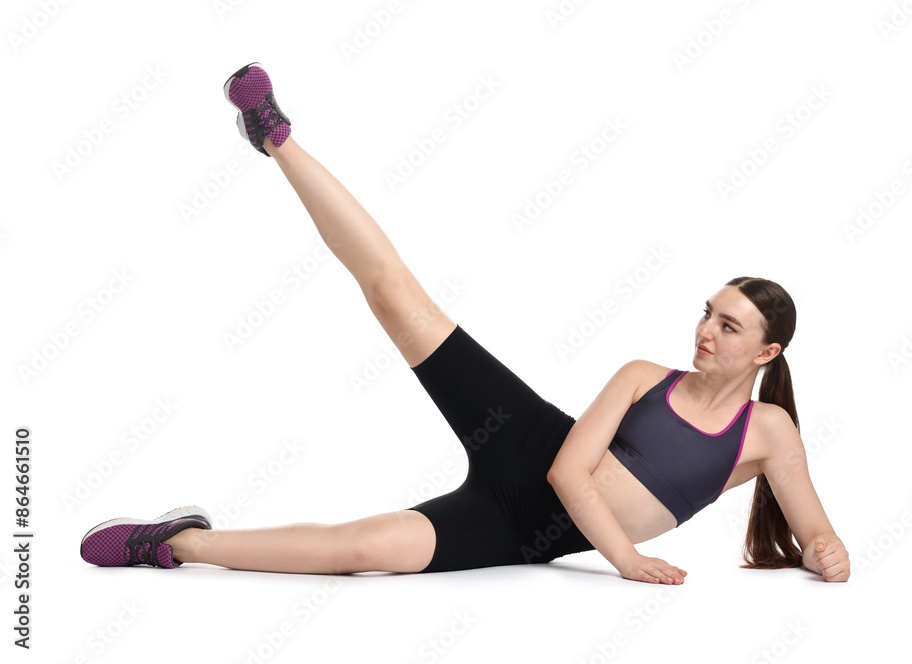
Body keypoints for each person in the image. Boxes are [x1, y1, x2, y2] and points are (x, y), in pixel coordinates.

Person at [79, 63, 850, 585]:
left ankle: (173, 542)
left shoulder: (770, 432)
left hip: (516, 530)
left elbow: (814, 530)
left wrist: (828, 553)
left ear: (768, 350)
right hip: (528, 442)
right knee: (395, 296)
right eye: (707, 313)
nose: (707, 332)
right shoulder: (645, 377)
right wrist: (625, 559)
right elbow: (565, 472)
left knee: (363, 550)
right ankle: (278, 139)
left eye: (731, 325)